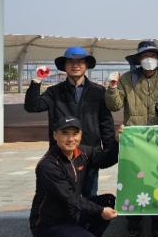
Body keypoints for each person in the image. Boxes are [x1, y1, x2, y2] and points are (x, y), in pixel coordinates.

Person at [105, 40, 158, 237]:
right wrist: (111, 88)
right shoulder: (127, 79)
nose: (149, 60)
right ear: (138, 60)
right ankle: (133, 230)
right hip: (134, 140)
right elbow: (114, 104)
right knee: (133, 183)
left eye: (153, 56)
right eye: (145, 57)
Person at [24, 46, 115, 197]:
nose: (76, 65)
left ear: (86, 66)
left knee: (89, 194)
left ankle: (87, 221)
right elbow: (32, 106)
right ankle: (66, 221)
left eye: (80, 61)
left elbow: (106, 122)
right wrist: (37, 81)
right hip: (62, 154)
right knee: (63, 195)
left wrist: (108, 150)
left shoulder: (98, 91)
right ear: (64, 67)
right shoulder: (54, 92)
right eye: (71, 62)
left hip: (90, 152)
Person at [29, 117, 118, 237]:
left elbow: (106, 160)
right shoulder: (48, 165)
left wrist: (118, 141)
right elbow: (70, 197)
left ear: (81, 135)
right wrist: (100, 210)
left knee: (109, 200)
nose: (70, 139)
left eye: (75, 134)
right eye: (65, 133)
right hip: (49, 224)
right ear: (55, 135)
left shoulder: (83, 152)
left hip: (72, 215)